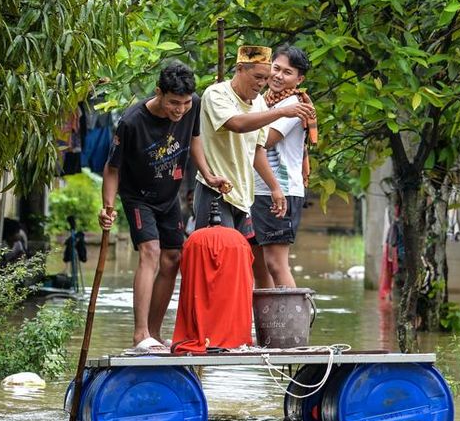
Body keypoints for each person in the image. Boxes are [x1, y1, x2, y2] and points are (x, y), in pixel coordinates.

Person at [99, 61, 217, 352]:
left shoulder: (194, 107)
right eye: (174, 103)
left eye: (186, 103)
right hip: (138, 196)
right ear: (159, 93)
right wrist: (107, 206)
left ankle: (153, 333)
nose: (180, 110)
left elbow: (195, 141)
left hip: (169, 196)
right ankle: (140, 334)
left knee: (173, 258)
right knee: (151, 252)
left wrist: (209, 174)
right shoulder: (131, 121)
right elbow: (112, 169)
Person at [193, 45, 316, 239]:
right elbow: (237, 124)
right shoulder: (216, 94)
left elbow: (258, 150)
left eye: (265, 78)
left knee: (240, 261)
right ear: (240, 69)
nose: (262, 84)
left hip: (243, 195)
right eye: (258, 77)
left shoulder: (259, 103)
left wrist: (275, 188)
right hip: (216, 189)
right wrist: (281, 111)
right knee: (218, 254)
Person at [251, 45, 315, 288]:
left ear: (299, 79)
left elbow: (265, 140)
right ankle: (268, 325)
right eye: (275, 68)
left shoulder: (294, 105)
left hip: (280, 191)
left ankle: (293, 325)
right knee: (258, 266)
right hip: (256, 191)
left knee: (276, 264)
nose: (278, 76)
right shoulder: (262, 101)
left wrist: (239, 123)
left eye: (287, 72)